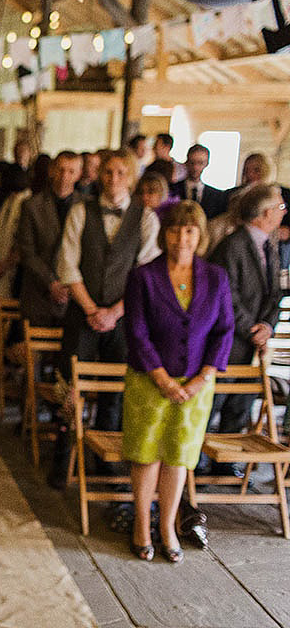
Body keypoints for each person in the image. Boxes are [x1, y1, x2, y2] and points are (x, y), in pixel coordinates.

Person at [122, 201, 234, 563]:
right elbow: (136, 333)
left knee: (179, 458)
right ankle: (141, 524)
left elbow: (224, 330)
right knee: (146, 455)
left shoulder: (216, 277)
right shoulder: (143, 276)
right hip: (149, 383)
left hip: (196, 387)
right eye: (174, 230)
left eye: (189, 230)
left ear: (199, 234)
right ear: (163, 233)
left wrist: (202, 377)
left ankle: (168, 526)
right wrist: (164, 380)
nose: (181, 238)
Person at [49, 149, 162, 487]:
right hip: (81, 313)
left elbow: (147, 272)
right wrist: (90, 310)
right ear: (100, 176)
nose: (114, 180)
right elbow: (67, 265)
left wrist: (114, 312)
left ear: (131, 177)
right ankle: (63, 458)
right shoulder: (81, 211)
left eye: (121, 173)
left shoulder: (145, 218)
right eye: (108, 173)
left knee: (115, 389)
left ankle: (105, 460)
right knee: (70, 385)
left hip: (124, 317)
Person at [207, 183, 285, 479]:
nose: (283, 212)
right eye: (279, 207)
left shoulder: (270, 243)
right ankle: (201, 459)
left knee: (241, 405)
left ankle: (225, 464)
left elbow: (275, 293)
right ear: (265, 213)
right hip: (230, 337)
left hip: (254, 340)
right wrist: (249, 328)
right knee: (217, 401)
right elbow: (225, 294)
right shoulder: (233, 245)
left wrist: (267, 325)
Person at [17, 151, 83, 327]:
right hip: (39, 291)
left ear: (78, 174)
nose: (64, 176)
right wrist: (51, 283)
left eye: (71, 171)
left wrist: (70, 285)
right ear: (52, 171)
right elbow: (27, 251)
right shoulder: (32, 205)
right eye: (61, 169)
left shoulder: (85, 206)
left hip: (74, 294)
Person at [0, 164, 30, 303]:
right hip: (1, 262)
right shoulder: (7, 201)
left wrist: (3, 265)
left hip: (13, 269)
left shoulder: (26, 203)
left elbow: (21, 241)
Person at [169, 144, 227, 220]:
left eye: (200, 163)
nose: (195, 167)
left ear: (206, 164)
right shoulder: (171, 189)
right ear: (186, 162)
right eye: (192, 162)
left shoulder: (217, 196)